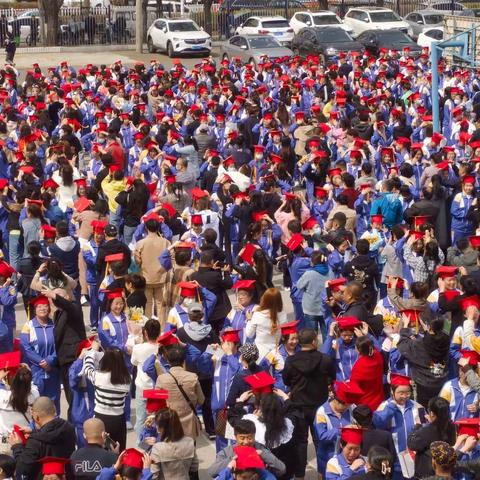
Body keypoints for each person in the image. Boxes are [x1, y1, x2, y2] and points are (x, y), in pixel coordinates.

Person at [283, 328, 336, 480]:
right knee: (321, 441)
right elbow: (332, 377)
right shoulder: (325, 359)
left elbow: (286, 381)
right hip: (319, 407)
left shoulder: (291, 361)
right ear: (314, 341)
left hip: (298, 407)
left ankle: (300, 475)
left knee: (300, 442)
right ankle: (322, 474)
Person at [41, 287, 86, 416]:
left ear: (66, 297)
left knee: (75, 395)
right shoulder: (57, 314)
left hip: (74, 358)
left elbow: (69, 307)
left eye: (58, 295)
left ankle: (77, 423)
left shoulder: (73, 307)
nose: (54, 297)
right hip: (64, 360)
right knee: (69, 394)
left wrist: (54, 295)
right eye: (53, 295)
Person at [9, 396, 76, 479]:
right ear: (54, 410)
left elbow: (23, 469)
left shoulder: (35, 441)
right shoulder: (69, 428)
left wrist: (17, 447)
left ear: (36, 417)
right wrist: (34, 433)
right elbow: (51, 435)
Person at [82, 344, 131, 451]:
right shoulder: (127, 379)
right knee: (118, 450)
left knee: (101, 450)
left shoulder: (99, 377)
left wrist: (92, 352)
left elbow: (87, 368)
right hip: (118, 419)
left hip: (101, 418)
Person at [19, 295, 61, 413]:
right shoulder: (28, 326)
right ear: (35, 309)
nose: (43, 309)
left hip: (52, 370)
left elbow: (59, 346)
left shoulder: (55, 325)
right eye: (39, 306)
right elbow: (26, 348)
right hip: (35, 371)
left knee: (53, 401)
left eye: (45, 306)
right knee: (35, 401)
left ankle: (55, 427)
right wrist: (41, 362)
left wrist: (49, 360)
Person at [397, 316, 450, 407]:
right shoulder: (446, 343)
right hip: (439, 382)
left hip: (422, 384)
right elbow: (444, 328)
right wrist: (427, 331)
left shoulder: (420, 344)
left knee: (422, 411)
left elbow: (402, 346)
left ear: (430, 329)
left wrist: (405, 327)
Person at [208, 419, 286, 479]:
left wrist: (263, 454)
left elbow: (281, 469)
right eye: (242, 438)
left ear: (254, 436)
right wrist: (232, 460)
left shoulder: (260, 449)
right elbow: (212, 472)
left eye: (249, 438)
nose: (246, 442)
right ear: (235, 437)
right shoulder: (226, 452)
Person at [407, 397, 456, 479]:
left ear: (432, 413)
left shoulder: (427, 430)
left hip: (427, 472)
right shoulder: (451, 426)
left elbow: (411, 444)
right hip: (446, 470)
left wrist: (418, 426)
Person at [133, 215, 171, 321]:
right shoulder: (166, 242)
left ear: (146, 228)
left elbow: (137, 261)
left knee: (148, 304)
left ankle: (148, 328)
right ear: (158, 228)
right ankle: (162, 329)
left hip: (146, 277)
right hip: (161, 278)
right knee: (161, 305)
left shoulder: (141, 243)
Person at [0, 361, 39, 454]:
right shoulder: (34, 395)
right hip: (26, 439)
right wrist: (27, 371)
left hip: (7, 440)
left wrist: (1, 377)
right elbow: (32, 385)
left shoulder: (3, 396)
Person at [150, 407, 195, 480]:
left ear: (163, 428)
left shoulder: (157, 448)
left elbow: (154, 475)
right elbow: (194, 467)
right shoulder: (190, 442)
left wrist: (146, 468)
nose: (157, 429)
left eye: (158, 425)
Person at [246, 288, 286, 361]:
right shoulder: (283, 314)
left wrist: (249, 319)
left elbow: (249, 334)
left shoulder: (258, 314)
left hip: (259, 352)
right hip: (277, 351)